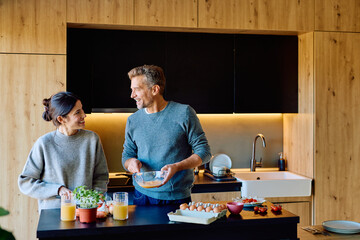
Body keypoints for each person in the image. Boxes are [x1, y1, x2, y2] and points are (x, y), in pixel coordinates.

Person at [122, 65, 211, 205]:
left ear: (155, 89)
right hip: (141, 196)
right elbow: (126, 156)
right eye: (131, 90)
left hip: (177, 197)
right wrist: (130, 163)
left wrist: (177, 166)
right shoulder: (133, 120)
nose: (132, 95)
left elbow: (204, 152)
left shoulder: (184, 113)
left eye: (137, 89)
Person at [18, 91, 109, 212]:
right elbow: (25, 182)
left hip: (85, 212)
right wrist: (58, 189)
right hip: (53, 214)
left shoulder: (92, 139)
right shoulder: (44, 143)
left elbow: (101, 177)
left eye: (82, 109)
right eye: (78, 112)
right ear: (61, 119)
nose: (84, 115)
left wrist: (93, 201)